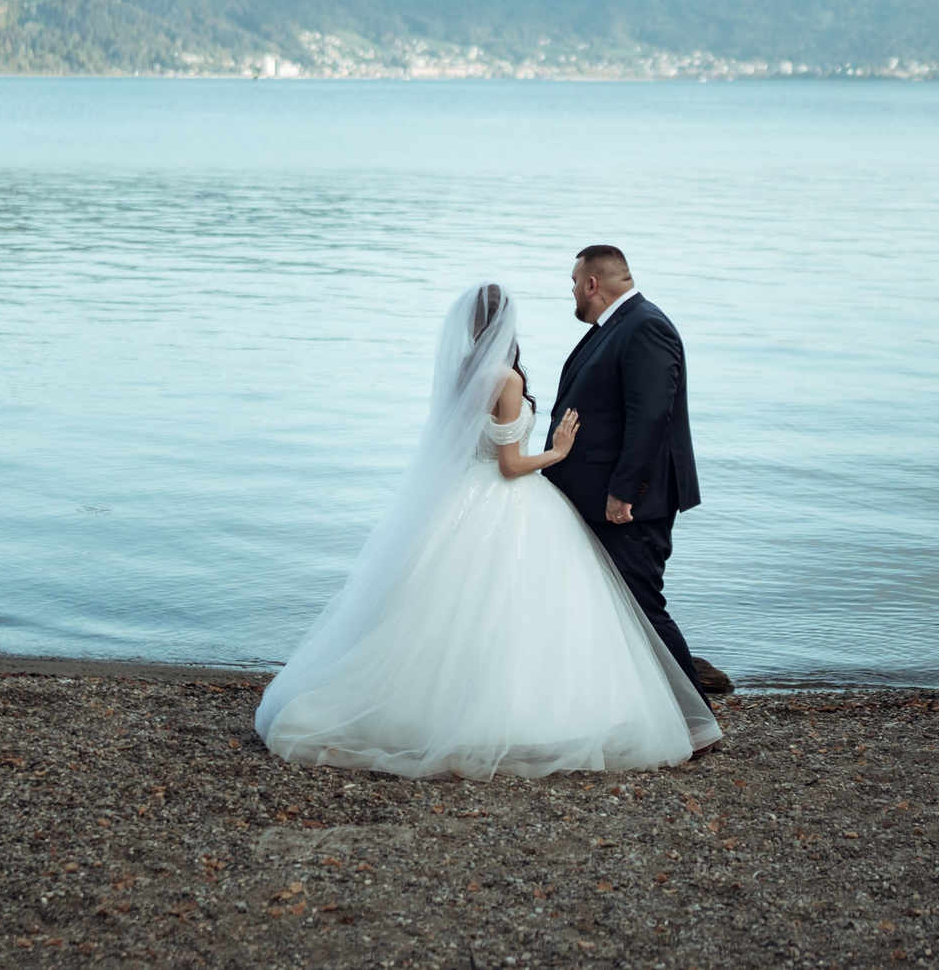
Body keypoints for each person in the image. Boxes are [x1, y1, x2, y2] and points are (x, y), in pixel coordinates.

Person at [255, 283, 719, 779]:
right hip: (506, 497)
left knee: (457, 611)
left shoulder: (467, 373)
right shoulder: (508, 380)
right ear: (505, 324)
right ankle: (531, 715)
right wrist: (558, 453)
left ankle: (429, 707)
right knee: (522, 611)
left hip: (464, 501)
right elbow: (510, 465)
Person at [545, 245, 714, 696]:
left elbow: (651, 416)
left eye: (574, 285)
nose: (573, 295)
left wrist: (625, 491)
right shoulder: (617, 326)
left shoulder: (645, 326)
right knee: (618, 603)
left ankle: (692, 717)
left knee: (641, 604)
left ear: (592, 284)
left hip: (630, 500)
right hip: (601, 493)